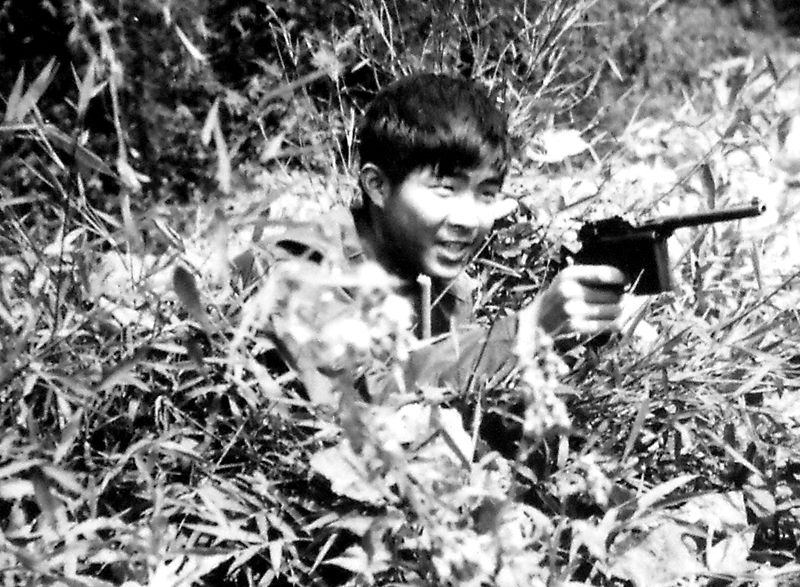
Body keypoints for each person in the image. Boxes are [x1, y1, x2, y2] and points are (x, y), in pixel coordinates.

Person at [349, 72, 626, 380]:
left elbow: (450, 381)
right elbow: (365, 394)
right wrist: (528, 328)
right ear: (378, 186)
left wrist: (569, 335)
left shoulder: (450, 292)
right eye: (446, 189)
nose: (468, 219)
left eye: (486, 194)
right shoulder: (314, 266)